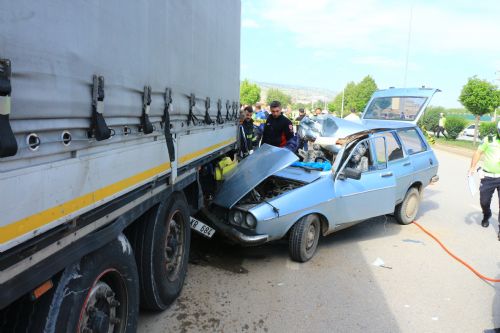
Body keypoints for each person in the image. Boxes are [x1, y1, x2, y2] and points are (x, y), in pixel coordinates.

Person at [468, 121, 500, 231]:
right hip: (488, 177)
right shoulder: (489, 140)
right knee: (484, 202)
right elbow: (478, 152)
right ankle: (487, 214)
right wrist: (472, 167)